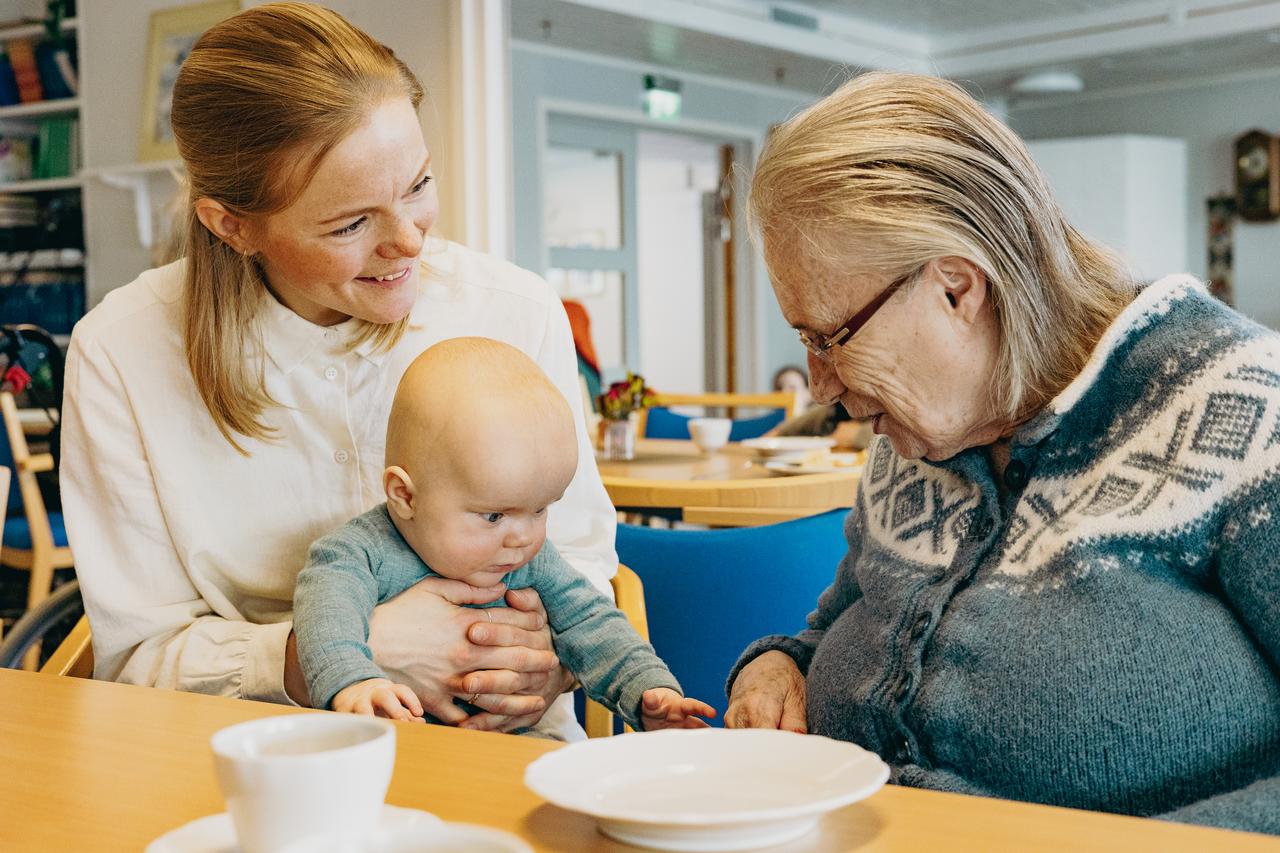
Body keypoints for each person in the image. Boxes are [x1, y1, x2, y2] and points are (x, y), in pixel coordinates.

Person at [724, 70, 1280, 834]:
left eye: (831, 337)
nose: (821, 387)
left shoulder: (1244, 409)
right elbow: (844, 619)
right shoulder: (921, 427)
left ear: (957, 288)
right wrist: (780, 663)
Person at [59, 3, 617, 741]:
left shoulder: (513, 311)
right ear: (232, 224)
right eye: (351, 225)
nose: (410, 241)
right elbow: (137, 658)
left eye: (418, 184)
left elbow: (581, 560)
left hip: (503, 751)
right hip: (254, 762)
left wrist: (551, 663)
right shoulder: (120, 355)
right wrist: (333, 654)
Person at [295, 338, 713, 733]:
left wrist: (647, 688)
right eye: (493, 516)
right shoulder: (357, 553)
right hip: (393, 747)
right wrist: (353, 683)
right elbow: (327, 618)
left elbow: (591, 622)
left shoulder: (532, 560)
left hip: (511, 744)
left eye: (539, 509)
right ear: (405, 496)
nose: (522, 538)